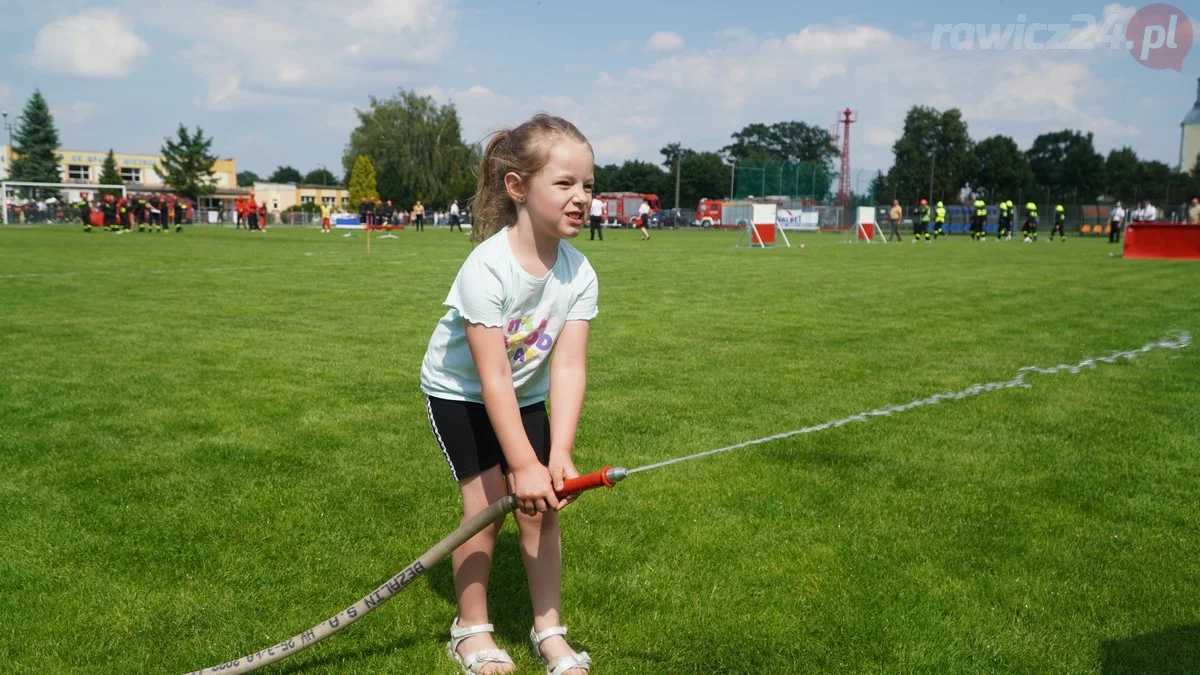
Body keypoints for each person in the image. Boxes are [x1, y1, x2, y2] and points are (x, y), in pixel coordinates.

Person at [420, 114, 596, 675]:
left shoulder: (580, 272)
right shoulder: (488, 267)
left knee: (542, 510)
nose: (581, 198)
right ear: (518, 187)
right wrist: (521, 462)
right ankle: (470, 629)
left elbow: (569, 367)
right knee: (488, 508)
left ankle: (550, 631)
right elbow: (490, 376)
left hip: (524, 393)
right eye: (564, 184)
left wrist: (558, 455)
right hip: (461, 393)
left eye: (588, 185)